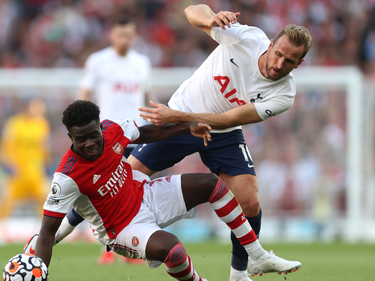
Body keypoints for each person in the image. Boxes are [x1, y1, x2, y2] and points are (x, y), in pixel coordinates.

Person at [129, 5, 312, 281]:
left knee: (249, 200)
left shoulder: (284, 94)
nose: (279, 64)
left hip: (219, 131)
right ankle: (67, 229)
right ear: (271, 44)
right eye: (278, 54)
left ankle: (239, 275)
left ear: (299, 64)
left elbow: (226, 120)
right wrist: (211, 18)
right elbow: (192, 10)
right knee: (127, 175)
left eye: (289, 61)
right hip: (185, 108)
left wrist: (179, 117)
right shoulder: (247, 38)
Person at [24, 100, 301, 280]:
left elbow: (148, 134)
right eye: (80, 139)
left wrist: (186, 128)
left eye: (92, 135)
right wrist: (40, 272)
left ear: (99, 126)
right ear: (70, 137)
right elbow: (48, 230)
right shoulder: (67, 176)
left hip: (145, 195)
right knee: (174, 250)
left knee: (210, 184)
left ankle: (256, 255)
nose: (89, 144)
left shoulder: (111, 130)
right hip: (122, 229)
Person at [77, 16, 155, 264]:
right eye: (119, 34)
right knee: (105, 192)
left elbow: (148, 96)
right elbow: (84, 95)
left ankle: (132, 247)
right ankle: (108, 246)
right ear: (112, 35)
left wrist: (154, 125)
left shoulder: (142, 63)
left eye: (128, 35)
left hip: (136, 135)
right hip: (106, 138)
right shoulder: (98, 62)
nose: (123, 39)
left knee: (134, 192)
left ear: (134, 36)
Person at [0, 97, 51, 242]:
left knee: (45, 200)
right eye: (36, 106)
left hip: (36, 172)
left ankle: (46, 232)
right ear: (27, 107)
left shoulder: (42, 124)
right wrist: (8, 164)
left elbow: (44, 147)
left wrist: (47, 164)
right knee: (7, 200)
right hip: (18, 171)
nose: (39, 110)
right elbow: (5, 146)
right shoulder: (14, 124)